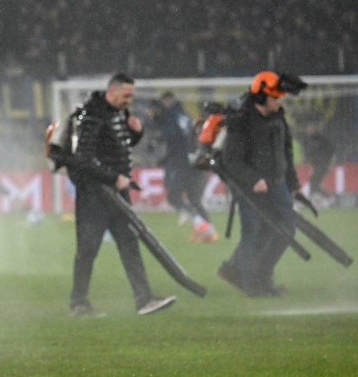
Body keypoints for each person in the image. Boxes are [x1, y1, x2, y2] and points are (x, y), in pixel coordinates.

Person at [66, 73, 176, 317]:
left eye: (131, 95)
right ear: (112, 92)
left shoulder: (120, 113)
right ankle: (78, 303)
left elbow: (117, 146)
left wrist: (135, 134)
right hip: (95, 195)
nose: (130, 99)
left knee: (130, 244)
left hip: (118, 194)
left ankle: (144, 299)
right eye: (126, 94)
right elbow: (83, 159)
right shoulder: (94, 116)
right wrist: (113, 178)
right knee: (88, 249)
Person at [217, 71, 303, 297]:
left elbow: (286, 151)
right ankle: (251, 285)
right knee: (252, 233)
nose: (278, 102)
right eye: (275, 98)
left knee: (286, 230)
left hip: (278, 184)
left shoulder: (278, 116)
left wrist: (293, 182)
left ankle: (263, 276)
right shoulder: (241, 120)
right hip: (249, 190)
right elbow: (231, 160)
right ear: (261, 97)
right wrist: (253, 179)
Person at [152, 92, 217, 243]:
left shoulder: (171, 117)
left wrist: (164, 155)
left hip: (182, 163)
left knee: (173, 196)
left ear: (167, 102)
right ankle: (209, 231)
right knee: (194, 198)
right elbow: (183, 140)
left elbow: (172, 140)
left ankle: (197, 222)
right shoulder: (184, 115)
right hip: (193, 160)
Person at [299, 121, 335, 202]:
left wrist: (328, 161)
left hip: (322, 164)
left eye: (311, 127)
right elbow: (306, 151)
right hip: (315, 164)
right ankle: (328, 197)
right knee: (315, 182)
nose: (309, 129)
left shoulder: (322, 139)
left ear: (316, 128)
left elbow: (331, 150)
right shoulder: (307, 139)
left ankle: (314, 197)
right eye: (308, 128)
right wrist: (305, 157)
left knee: (313, 181)